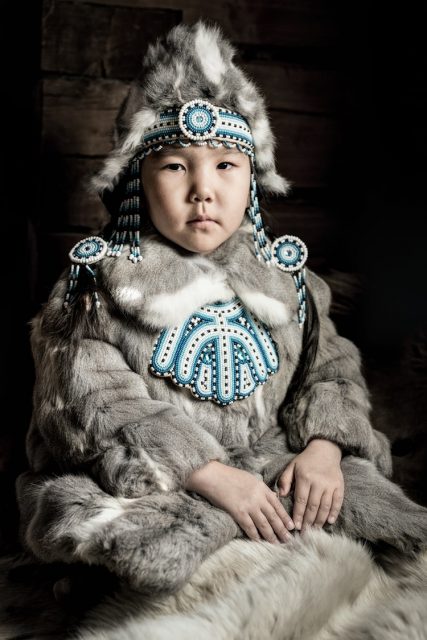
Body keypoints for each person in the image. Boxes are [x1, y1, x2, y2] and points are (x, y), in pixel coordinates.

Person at [16, 21, 427, 596]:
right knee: (147, 559)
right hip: (160, 480)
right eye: (176, 166)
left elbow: (329, 372)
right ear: (138, 181)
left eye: (226, 166)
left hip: (272, 466)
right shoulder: (95, 286)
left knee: (387, 540)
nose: (202, 189)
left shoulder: (286, 280)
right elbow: (90, 409)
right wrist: (208, 475)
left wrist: (324, 449)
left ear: (252, 183)